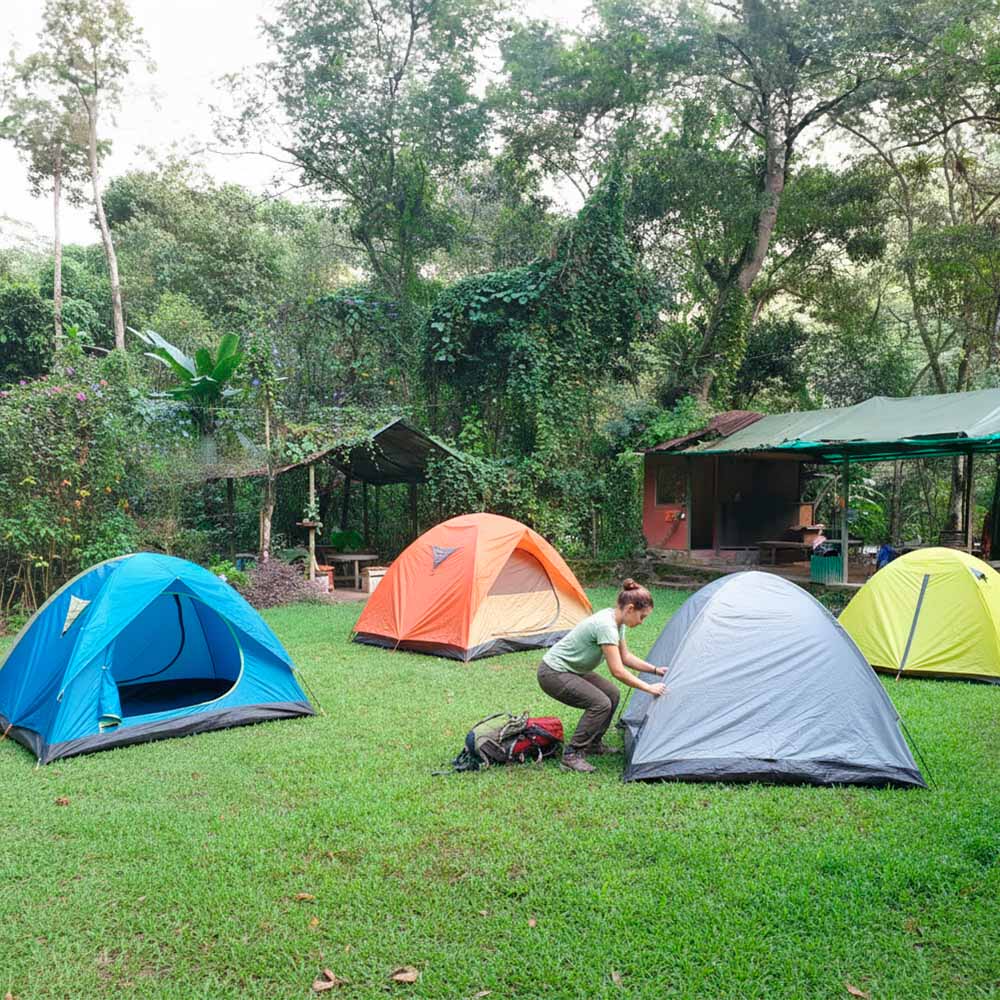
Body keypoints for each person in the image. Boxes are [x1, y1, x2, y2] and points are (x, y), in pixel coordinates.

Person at [537, 579, 666, 773]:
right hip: (553, 673)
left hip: (572, 670)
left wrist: (656, 670)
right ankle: (571, 755)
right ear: (630, 608)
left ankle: (594, 744)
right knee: (600, 703)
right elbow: (618, 671)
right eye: (642, 616)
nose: (641, 622)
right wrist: (649, 688)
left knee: (612, 694)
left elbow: (626, 657)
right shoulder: (606, 625)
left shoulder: (617, 621)